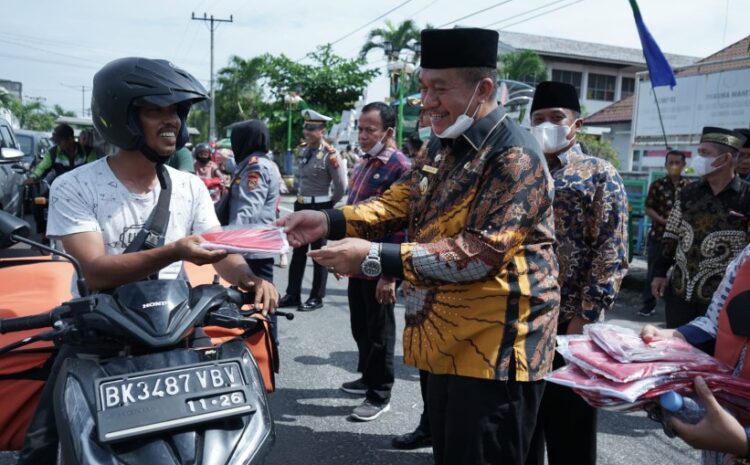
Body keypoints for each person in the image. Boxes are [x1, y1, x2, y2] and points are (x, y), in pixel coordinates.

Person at [278, 28, 559, 465]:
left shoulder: (513, 155)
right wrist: (329, 220)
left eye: (439, 88)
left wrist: (373, 258)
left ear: (482, 89)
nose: (426, 101)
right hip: (445, 339)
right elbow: (402, 199)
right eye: (424, 86)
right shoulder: (443, 145)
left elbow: (478, 254)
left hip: (497, 351)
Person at [16, 57, 278, 465]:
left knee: (225, 431)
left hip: (174, 333)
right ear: (121, 118)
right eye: (157, 110)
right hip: (97, 338)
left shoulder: (190, 187)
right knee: (43, 445)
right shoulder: (75, 186)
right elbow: (96, 270)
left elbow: (219, 251)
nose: (171, 120)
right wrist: (175, 250)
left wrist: (248, 279)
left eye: (176, 111)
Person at [524, 81, 629, 465]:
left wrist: (584, 316)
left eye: (556, 118)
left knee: (570, 424)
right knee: (526, 422)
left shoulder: (599, 174)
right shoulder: (525, 171)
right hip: (523, 317)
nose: (547, 125)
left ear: (576, 124)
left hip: (572, 321)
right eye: (538, 119)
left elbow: (611, 250)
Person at [641, 241, 750, 465]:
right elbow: (715, 321)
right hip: (721, 426)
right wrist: (675, 337)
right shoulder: (747, 256)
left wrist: (744, 441)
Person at [339, 101, 411, 421]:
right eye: (360, 128)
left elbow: (403, 224)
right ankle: (367, 377)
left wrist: (390, 275)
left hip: (381, 259)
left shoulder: (400, 166)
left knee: (380, 330)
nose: (363, 135)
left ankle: (380, 394)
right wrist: (342, 255)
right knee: (360, 324)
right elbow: (352, 211)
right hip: (357, 257)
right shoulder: (363, 162)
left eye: (371, 129)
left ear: (389, 132)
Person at [651, 127, 750, 328]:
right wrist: (659, 273)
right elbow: (671, 234)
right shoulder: (689, 192)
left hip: (723, 297)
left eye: (705, 153)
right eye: (699, 152)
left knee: (713, 356)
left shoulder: (746, 196)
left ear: (725, 158)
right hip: (680, 291)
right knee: (676, 350)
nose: (699, 158)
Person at [391, 106, 434, 450]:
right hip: (419, 277)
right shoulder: (429, 156)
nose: (426, 119)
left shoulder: (493, 157)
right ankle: (429, 424)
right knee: (423, 357)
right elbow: (404, 213)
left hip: (452, 278)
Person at [277, 108, 347, 312]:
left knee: (319, 254)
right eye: (306, 128)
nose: (307, 132)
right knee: (297, 251)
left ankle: (317, 297)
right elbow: (299, 179)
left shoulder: (330, 155)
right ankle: (293, 294)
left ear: (322, 131)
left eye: (312, 129)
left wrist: (329, 204)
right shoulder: (303, 150)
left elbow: (341, 185)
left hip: (320, 206)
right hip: (301, 204)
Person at [229, 119, 282, 342]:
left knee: (261, 299)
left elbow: (249, 208)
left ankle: (267, 345)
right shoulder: (256, 163)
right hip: (253, 243)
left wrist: (226, 241)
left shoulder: (256, 166)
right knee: (258, 298)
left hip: (252, 245)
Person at [639, 150, 689, 317]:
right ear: (665, 164)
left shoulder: (690, 188)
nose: (674, 166)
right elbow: (648, 208)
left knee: (681, 273)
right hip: (659, 236)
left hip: (683, 240)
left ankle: (676, 306)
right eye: (670, 162)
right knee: (653, 272)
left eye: (677, 162)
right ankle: (648, 305)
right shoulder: (657, 185)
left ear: (684, 165)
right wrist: (662, 220)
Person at [25, 123, 97, 183]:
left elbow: (94, 170)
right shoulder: (53, 152)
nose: (57, 143)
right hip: (60, 188)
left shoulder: (88, 152)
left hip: (83, 188)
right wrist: (33, 177)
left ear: (70, 139)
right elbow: (42, 168)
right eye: (56, 141)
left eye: (59, 141)